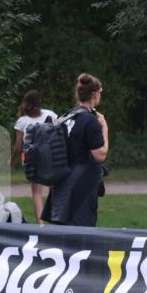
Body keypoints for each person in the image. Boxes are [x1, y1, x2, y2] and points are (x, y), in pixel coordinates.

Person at [41, 73, 108, 227]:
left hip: (61, 185)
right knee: (81, 241)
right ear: (95, 94)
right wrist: (104, 127)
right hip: (82, 190)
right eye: (100, 92)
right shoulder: (91, 121)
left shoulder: (67, 116)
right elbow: (100, 154)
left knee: (62, 239)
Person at [11, 90, 58, 223]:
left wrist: (11, 161)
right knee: (53, 190)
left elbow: (18, 147)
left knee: (37, 193)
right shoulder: (51, 115)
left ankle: (40, 226)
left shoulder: (22, 121)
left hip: (33, 159)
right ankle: (57, 220)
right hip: (52, 157)